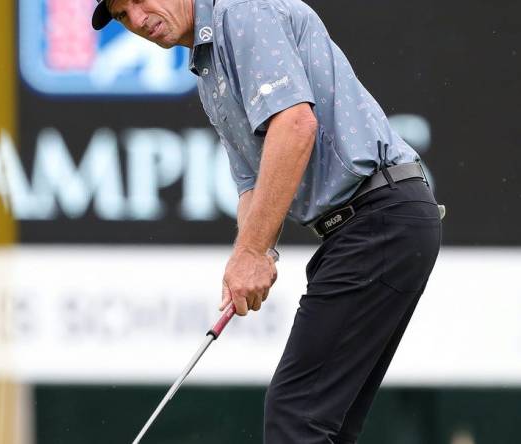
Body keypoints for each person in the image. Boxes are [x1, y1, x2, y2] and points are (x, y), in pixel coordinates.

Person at [91, 0, 442, 442]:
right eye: (122, 16)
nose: (139, 20)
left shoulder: (240, 11)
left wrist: (253, 252)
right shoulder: (208, 71)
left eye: (138, 1)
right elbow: (253, 186)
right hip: (370, 226)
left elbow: (295, 125)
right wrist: (251, 253)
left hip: (379, 220)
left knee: (296, 413)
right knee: (325, 424)